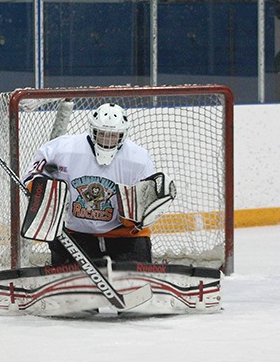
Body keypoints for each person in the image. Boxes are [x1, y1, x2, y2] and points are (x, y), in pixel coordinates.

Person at [22, 102, 172, 266]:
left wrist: (140, 215)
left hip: (126, 235)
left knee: (135, 278)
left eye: (113, 135)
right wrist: (41, 189)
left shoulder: (139, 159)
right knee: (68, 280)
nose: (107, 139)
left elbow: (147, 200)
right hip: (76, 233)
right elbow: (32, 176)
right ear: (92, 130)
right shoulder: (62, 149)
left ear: (123, 134)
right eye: (102, 133)